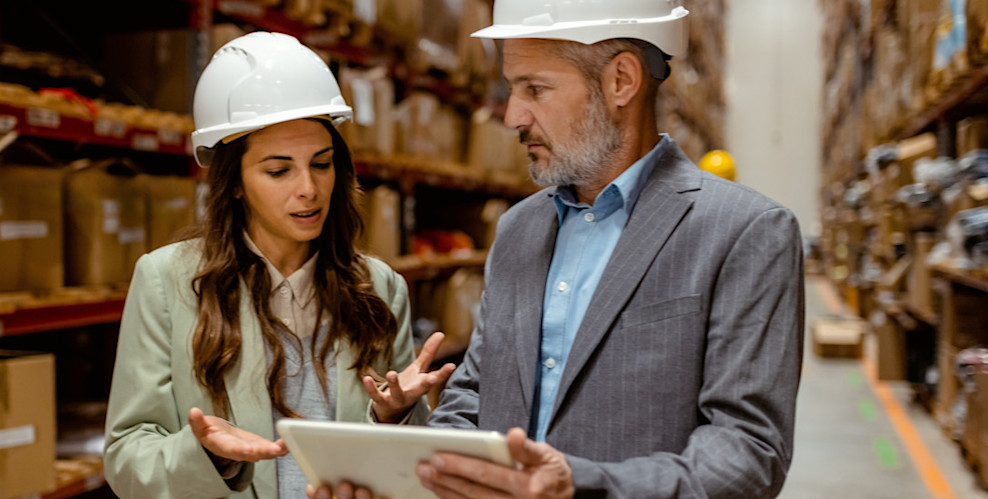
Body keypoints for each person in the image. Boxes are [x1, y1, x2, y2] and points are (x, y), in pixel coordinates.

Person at [312, 1, 804, 498]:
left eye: (534, 89)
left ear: (621, 81)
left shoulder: (745, 232)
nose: (511, 116)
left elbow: (747, 453)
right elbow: (473, 395)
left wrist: (582, 486)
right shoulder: (520, 229)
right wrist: (409, 473)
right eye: (511, 89)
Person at [103, 32, 454, 499]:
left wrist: (393, 417)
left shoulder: (379, 285)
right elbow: (127, 456)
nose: (308, 188)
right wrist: (208, 456)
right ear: (233, 183)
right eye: (278, 170)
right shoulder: (168, 280)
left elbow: (413, 472)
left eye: (322, 164)